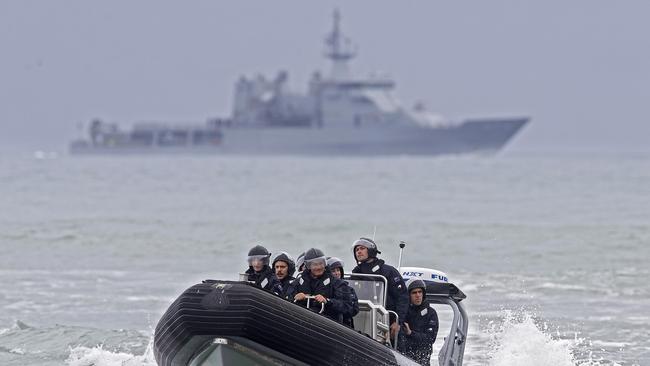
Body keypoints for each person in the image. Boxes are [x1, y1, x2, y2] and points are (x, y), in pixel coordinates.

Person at [351, 237, 409, 340]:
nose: (358, 252)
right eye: (356, 250)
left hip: (387, 322)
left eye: (362, 248)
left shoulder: (388, 271)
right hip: (362, 318)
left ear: (371, 250)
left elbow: (402, 297)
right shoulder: (355, 274)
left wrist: (397, 321)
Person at [287, 248, 358, 324]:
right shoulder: (297, 283)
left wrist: (327, 301)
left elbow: (348, 307)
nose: (318, 267)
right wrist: (295, 297)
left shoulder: (337, 283)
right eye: (315, 264)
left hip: (329, 324)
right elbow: (286, 299)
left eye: (321, 263)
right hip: (302, 322)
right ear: (308, 266)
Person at [398, 279, 439, 366]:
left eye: (420, 292)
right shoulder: (402, 312)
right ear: (408, 295)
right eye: (414, 293)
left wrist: (410, 333)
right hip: (402, 355)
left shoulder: (431, 314)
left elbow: (430, 339)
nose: (418, 295)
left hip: (422, 359)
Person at [326, 256, 359, 328]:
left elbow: (354, 309)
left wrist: (333, 303)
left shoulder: (350, 289)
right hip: (328, 321)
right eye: (333, 271)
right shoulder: (325, 287)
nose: (336, 273)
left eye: (338, 270)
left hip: (345, 324)